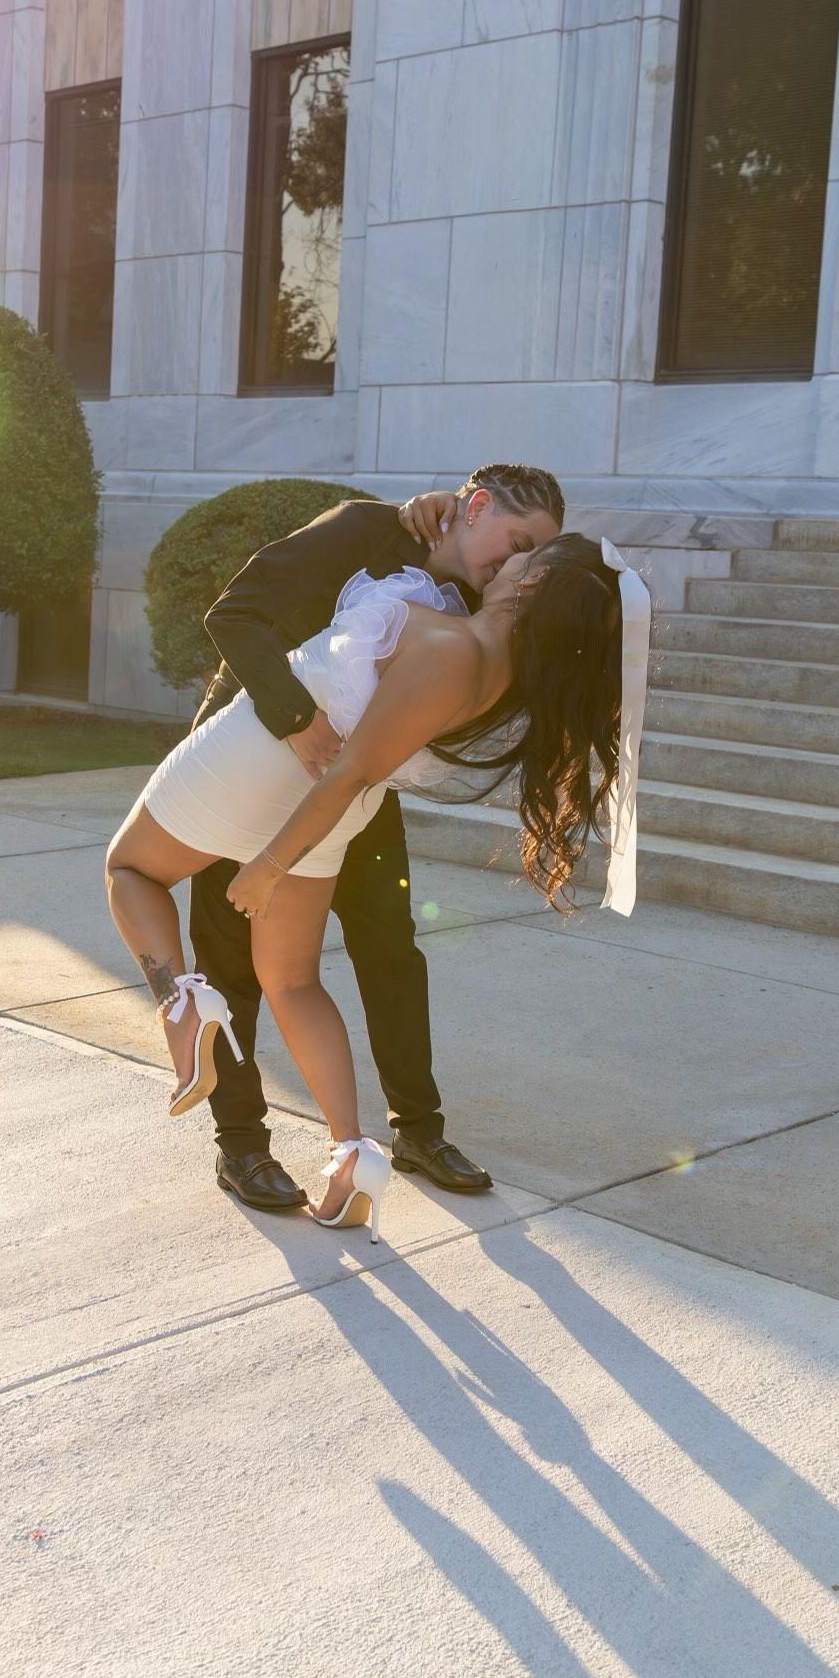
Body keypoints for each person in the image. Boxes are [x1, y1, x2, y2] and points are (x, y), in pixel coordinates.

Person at [104, 533, 636, 1232]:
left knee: (130, 869)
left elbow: (352, 763)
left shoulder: (450, 647)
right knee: (293, 982)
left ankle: (180, 1002)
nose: (508, 559)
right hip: (337, 813)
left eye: (524, 556)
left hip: (268, 760)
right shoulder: (501, 671)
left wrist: (267, 865)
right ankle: (351, 1154)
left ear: (531, 586)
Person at [190, 469, 564, 1213]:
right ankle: (242, 1145)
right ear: (476, 506)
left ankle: (419, 1132)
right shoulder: (364, 528)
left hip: (355, 794)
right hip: (246, 772)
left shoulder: (483, 604)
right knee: (229, 964)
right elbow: (232, 615)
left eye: (533, 556)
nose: (517, 564)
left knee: (391, 951)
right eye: (517, 541)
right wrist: (298, 719)